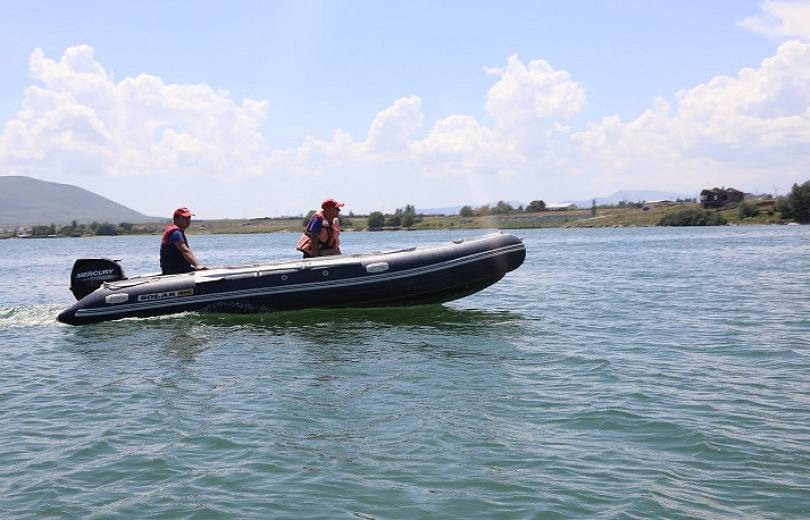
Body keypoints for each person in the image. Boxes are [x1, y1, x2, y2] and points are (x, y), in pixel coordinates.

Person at [160, 207, 207, 274]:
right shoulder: (176, 233)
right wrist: (197, 265)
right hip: (175, 271)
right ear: (176, 219)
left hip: (177, 270)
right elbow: (184, 250)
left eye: (189, 217)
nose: (188, 220)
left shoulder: (176, 231)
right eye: (185, 217)